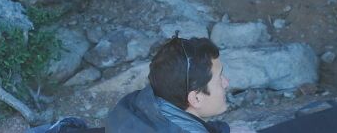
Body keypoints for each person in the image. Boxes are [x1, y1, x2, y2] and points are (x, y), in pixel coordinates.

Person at [106, 35, 254, 133]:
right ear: (195, 99)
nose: (226, 83)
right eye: (219, 78)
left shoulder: (137, 105)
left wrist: (224, 130)